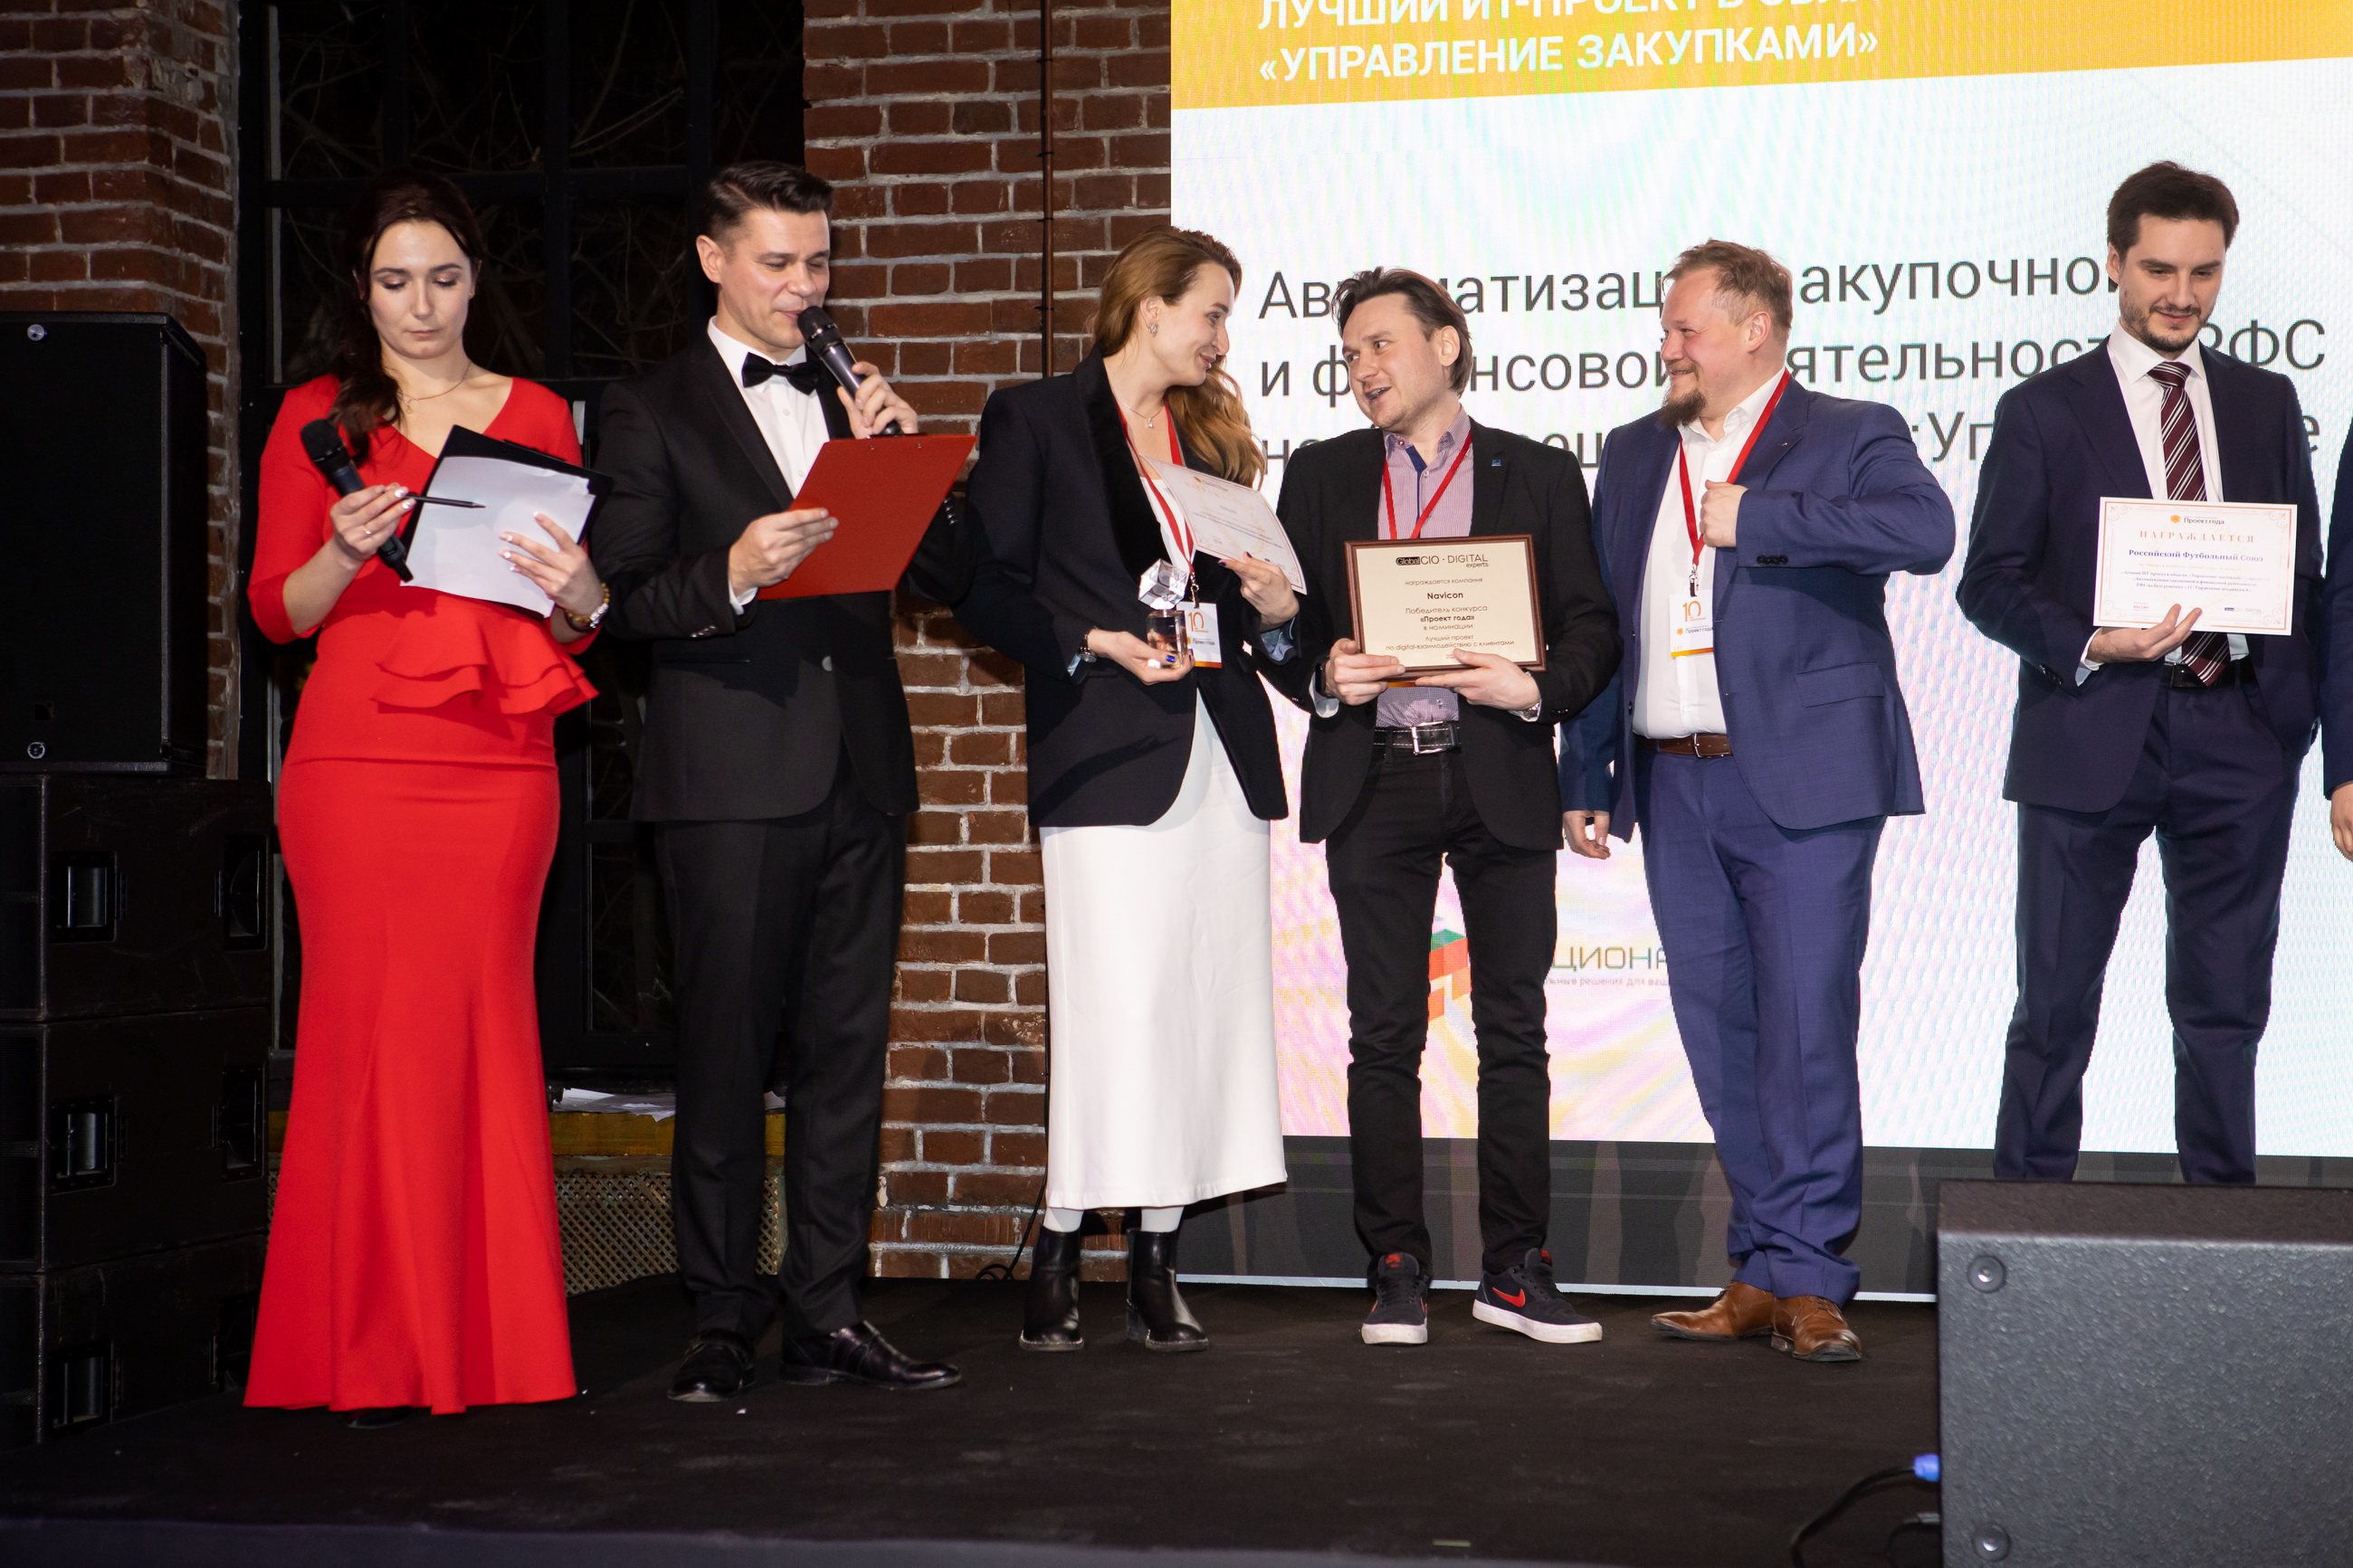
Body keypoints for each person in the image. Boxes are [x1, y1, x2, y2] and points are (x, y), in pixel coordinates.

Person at [590, 162, 968, 1401]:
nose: (805, 287)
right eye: (777, 263)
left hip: (861, 765)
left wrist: (908, 463)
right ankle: (718, 1314)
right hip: (730, 776)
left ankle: (827, 1307)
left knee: (846, 1054)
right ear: (714, 261)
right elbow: (620, 597)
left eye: (818, 261)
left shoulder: (852, 394)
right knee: (725, 1049)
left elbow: (948, 577)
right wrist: (736, 569)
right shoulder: (650, 407)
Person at [245, 169, 605, 1425]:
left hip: (498, 762)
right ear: (362, 289)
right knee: (360, 1039)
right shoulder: (315, 419)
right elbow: (273, 612)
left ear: (474, 282)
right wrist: (341, 548)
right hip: (355, 765)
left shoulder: (538, 413)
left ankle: (488, 1348)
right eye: (395, 280)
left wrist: (585, 593)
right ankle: (357, 1346)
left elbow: (570, 614)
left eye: (443, 277)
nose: (421, 303)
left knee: (482, 1034)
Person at [1561, 240, 1953, 1364]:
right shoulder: (1636, 448)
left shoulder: (1848, 430)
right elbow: (1603, 616)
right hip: (1671, 773)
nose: (1667, 348)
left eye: (1685, 329)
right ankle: (1762, 1265)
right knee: (1720, 1034)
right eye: (1666, 328)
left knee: (1803, 1029)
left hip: (1803, 776)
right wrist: (1586, 770)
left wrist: (1762, 517)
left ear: (1755, 330)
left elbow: (1924, 533)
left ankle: (1812, 1276)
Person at [957, 229, 1306, 1353]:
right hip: (1106, 751)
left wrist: (1273, 604)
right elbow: (984, 586)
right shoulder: (1037, 419)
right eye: (1210, 312)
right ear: (1148, 308)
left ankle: (1158, 1255)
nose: (1219, 338)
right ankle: (1060, 1240)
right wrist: (1089, 637)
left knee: (1201, 1005)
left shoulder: (1210, 439)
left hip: (1217, 746)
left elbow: (1236, 606)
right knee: (1115, 1006)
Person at [1958, 163, 2322, 1188]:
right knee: (2053, 1005)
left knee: (2225, 1009)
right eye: (2159, 269)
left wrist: (2286, 723)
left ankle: (2225, 1233)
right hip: (2090, 726)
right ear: (2113, 263)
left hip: (2237, 735)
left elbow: (2301, 573)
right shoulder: (2042, 409)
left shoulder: (2263, 401)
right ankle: (2028, 1236)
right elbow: (1988, 582)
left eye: (2204, 273)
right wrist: (2089, 641)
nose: (2181, 294)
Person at [1275, 269, 1619, 1349]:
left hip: (1496, 770)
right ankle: (1393, 1265)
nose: (1361, 368)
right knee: (1381, 1034)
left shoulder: (1537, 472)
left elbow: (1592, 627)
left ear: (1446, 345)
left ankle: (1515, 1268)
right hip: (1373, 775)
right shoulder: (1321, 473)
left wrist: (1534, 687)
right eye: (1348, 354)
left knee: (1513, 1029)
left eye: (1378, 344)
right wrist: (1319, 671)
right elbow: (1284, 634)